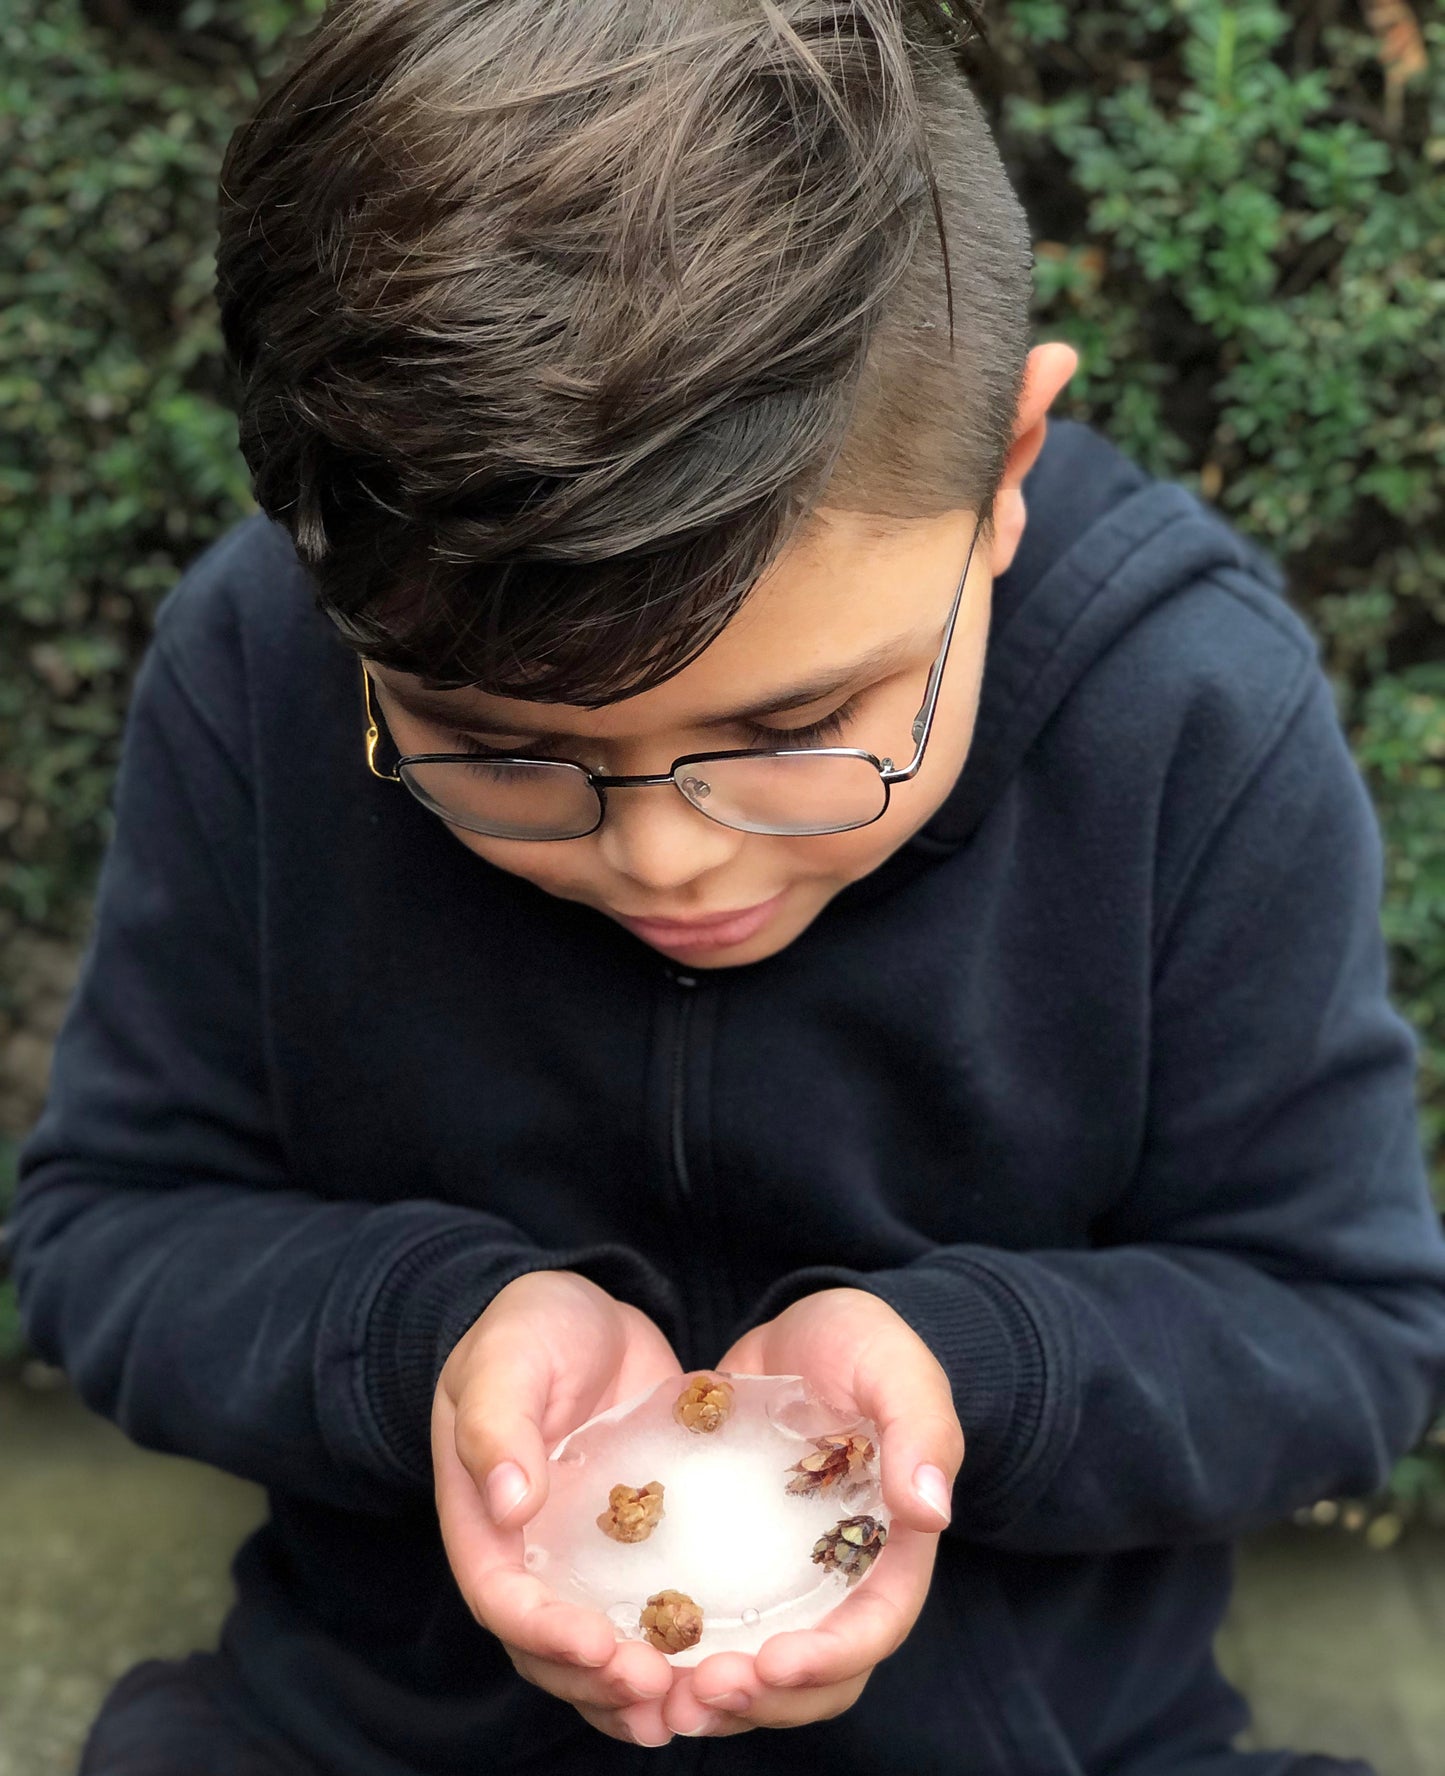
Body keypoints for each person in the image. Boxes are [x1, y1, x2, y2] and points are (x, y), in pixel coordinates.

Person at [10, 2, 1445, 1772]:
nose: (666, 854)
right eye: (494, 743)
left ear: (1005, 468)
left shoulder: (1190, 714)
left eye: (797, 724)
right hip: (364, 1725)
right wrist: (428, 1337)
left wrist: (973, 1371)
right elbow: (110, 1227)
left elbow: (1344, 1325)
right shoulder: (253, 665)